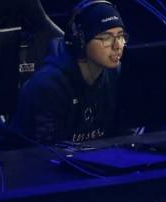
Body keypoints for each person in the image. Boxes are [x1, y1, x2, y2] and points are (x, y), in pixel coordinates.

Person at [11, 0, 127, 144]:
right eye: (106, 38)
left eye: (121, 36)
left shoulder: (115, 73)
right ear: (81, 40)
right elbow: (42, 153)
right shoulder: (48, 87)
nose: (118, 46)